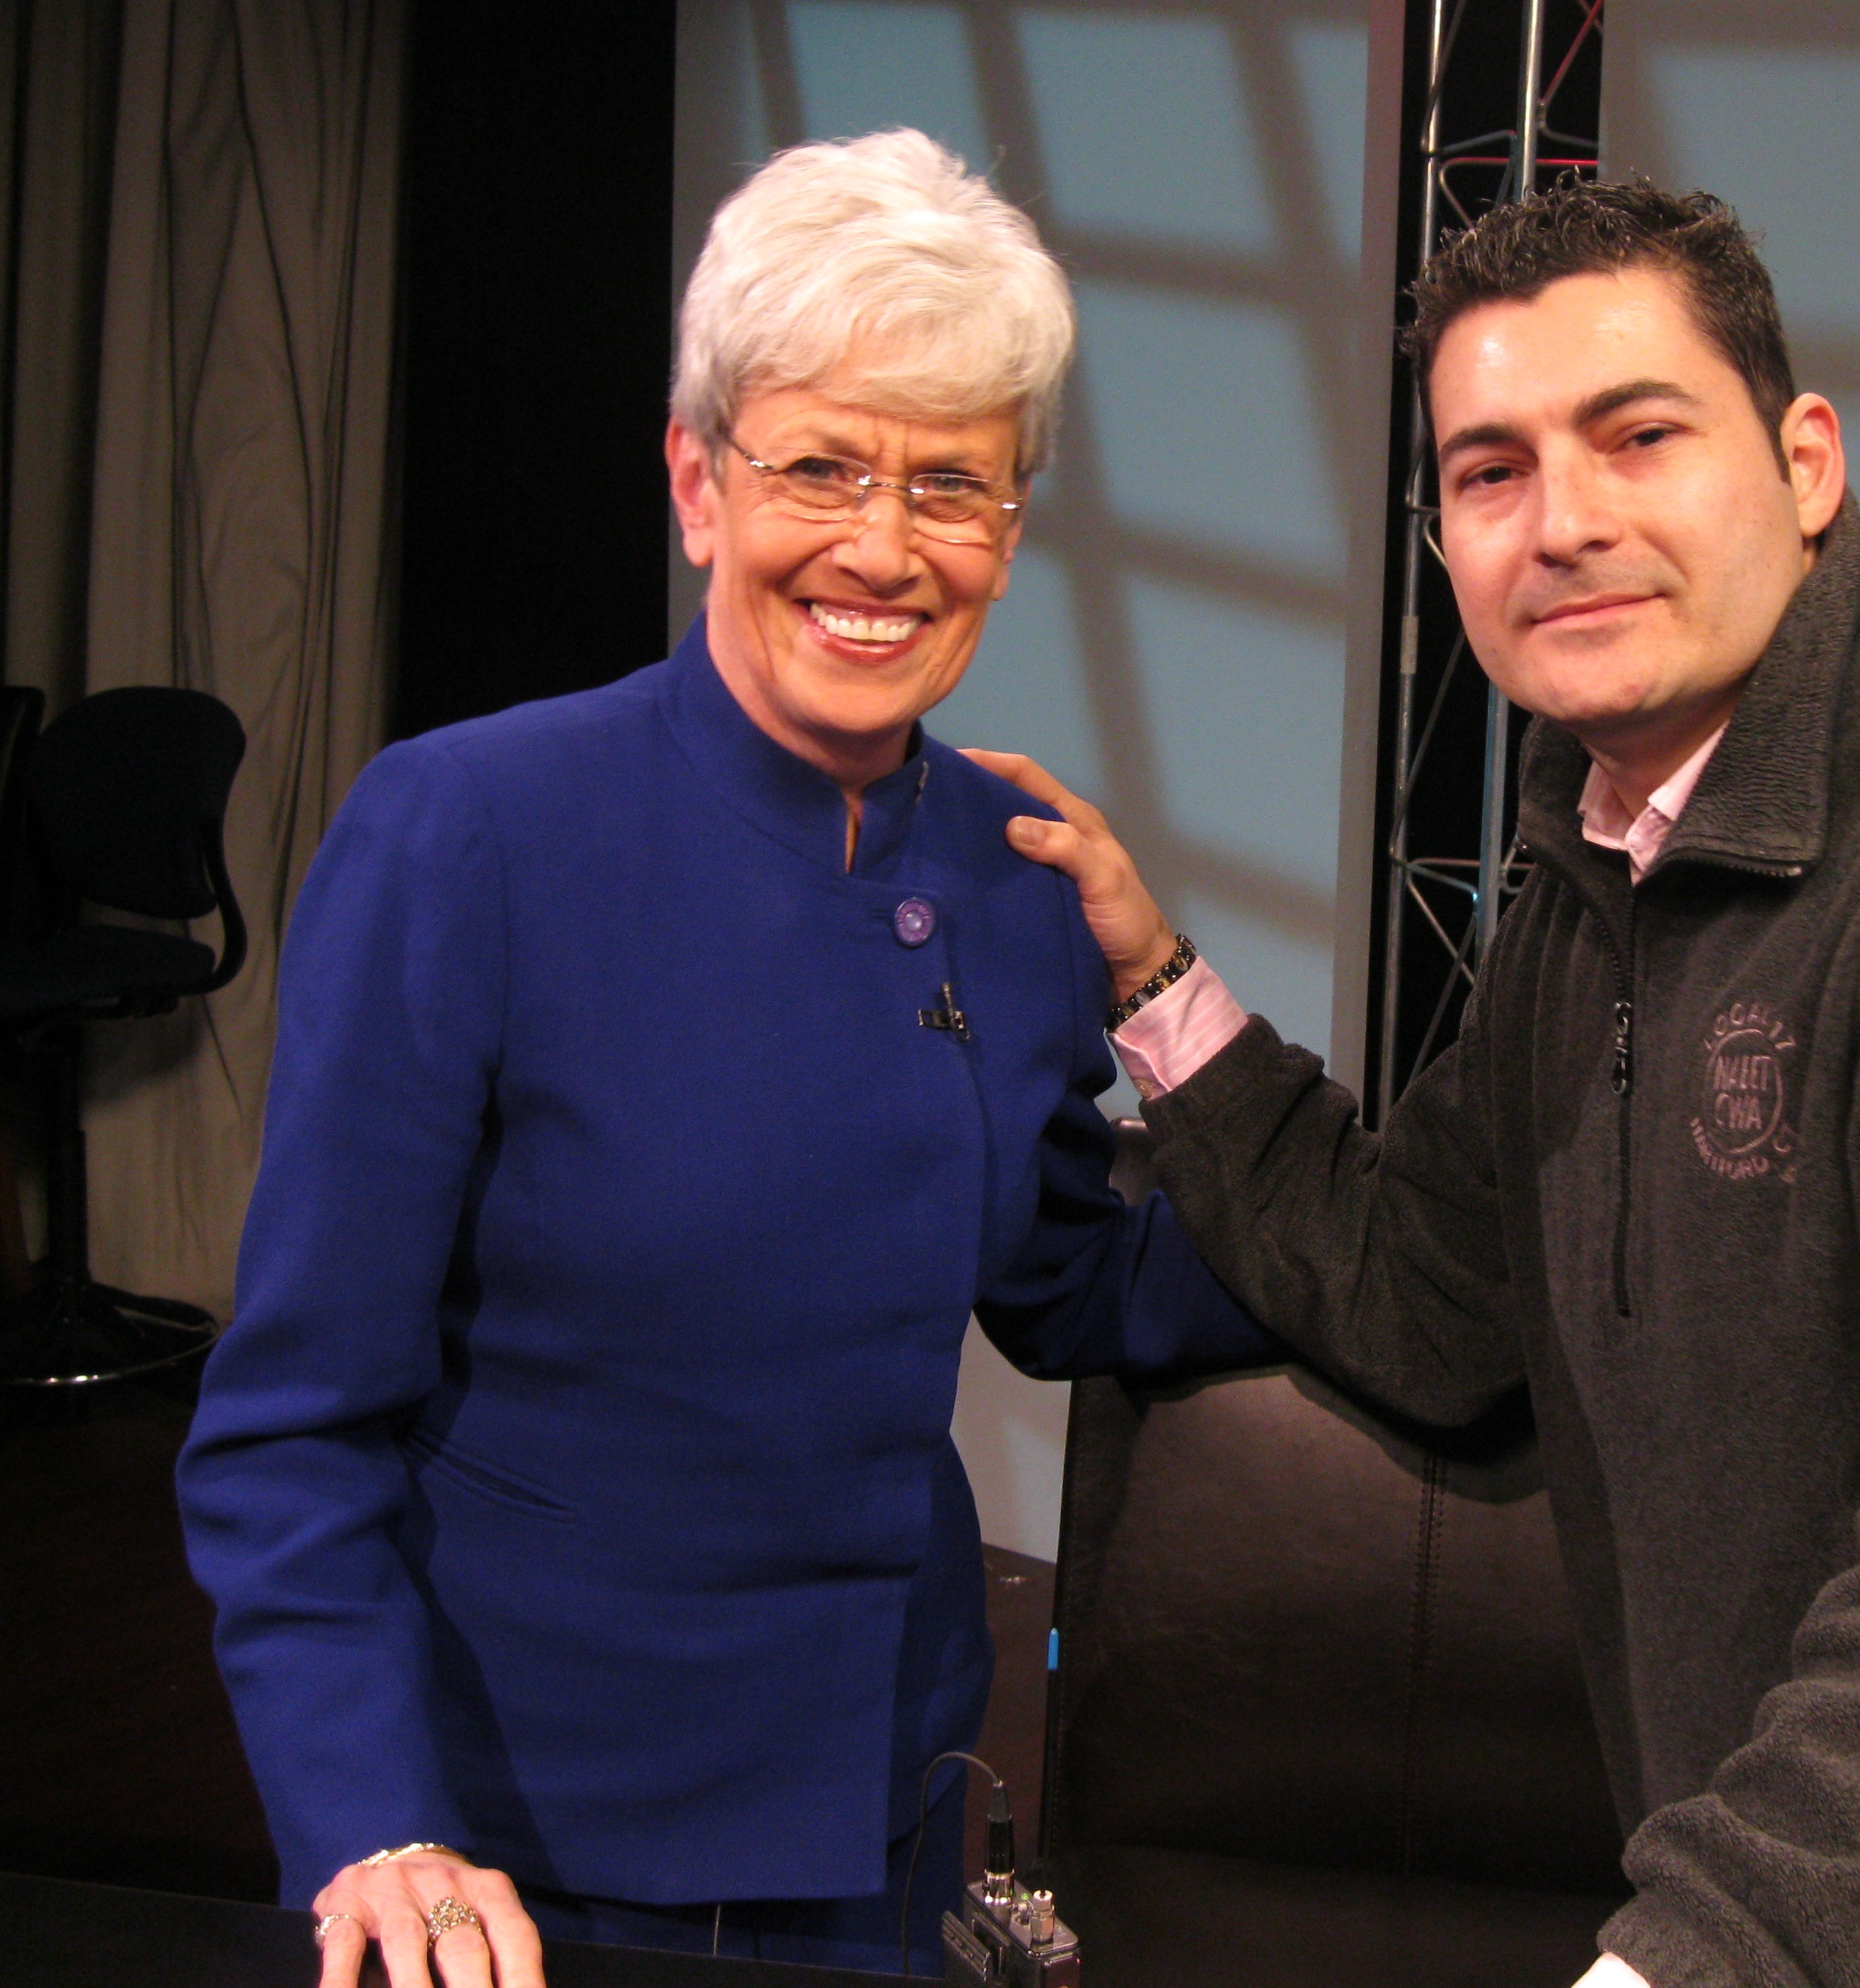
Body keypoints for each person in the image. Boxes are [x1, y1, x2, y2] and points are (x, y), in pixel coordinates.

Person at [982, 180, 1860, 1987]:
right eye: (1492, 472)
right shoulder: (1594, 903)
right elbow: (1423, 1294)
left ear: (1806, 464)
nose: (1566, 521)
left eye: (1639, 435)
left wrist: (1687, 1962)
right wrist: (1154, 979)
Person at [177, 130, 1270, 1988]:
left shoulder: (1016, 878)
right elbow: (290, 1424)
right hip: (518, 1847)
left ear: (1012, 530)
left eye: (953, 485)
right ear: (698, 483)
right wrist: (376, 1822)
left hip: (881, 1814)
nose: (883, 547)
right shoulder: (469, 831)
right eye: (820, 467)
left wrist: (1424, 1226)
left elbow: (1078, 1279)